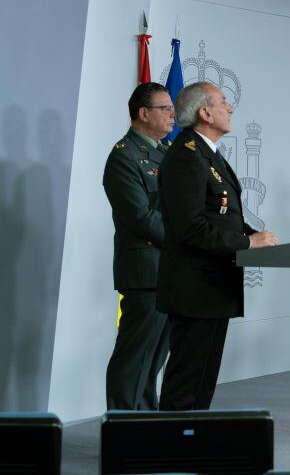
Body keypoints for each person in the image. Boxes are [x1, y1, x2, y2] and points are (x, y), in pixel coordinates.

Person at [156, 82, 278, 410]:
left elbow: (224, 217)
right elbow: (190, 228)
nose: (231, 108)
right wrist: (246, 242)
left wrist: (258, 238)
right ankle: (165, 454)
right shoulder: (186, 156)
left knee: (203, 381)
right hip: (195, 288)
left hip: (214, 286)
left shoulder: (208, 154)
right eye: (224, 102)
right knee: (186, 382)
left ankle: (191, 446)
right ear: (205, 112)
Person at [103, 82, 174, 410]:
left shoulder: (165, 153)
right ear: (143, 113)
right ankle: (122, 432)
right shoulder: (124, 156)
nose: (172, 114)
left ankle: (143, 429)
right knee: (134, 359)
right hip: (145, 271)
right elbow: (141, 217)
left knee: (153, 358)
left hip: (170, 270)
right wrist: (185, 237)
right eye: (165, 108)